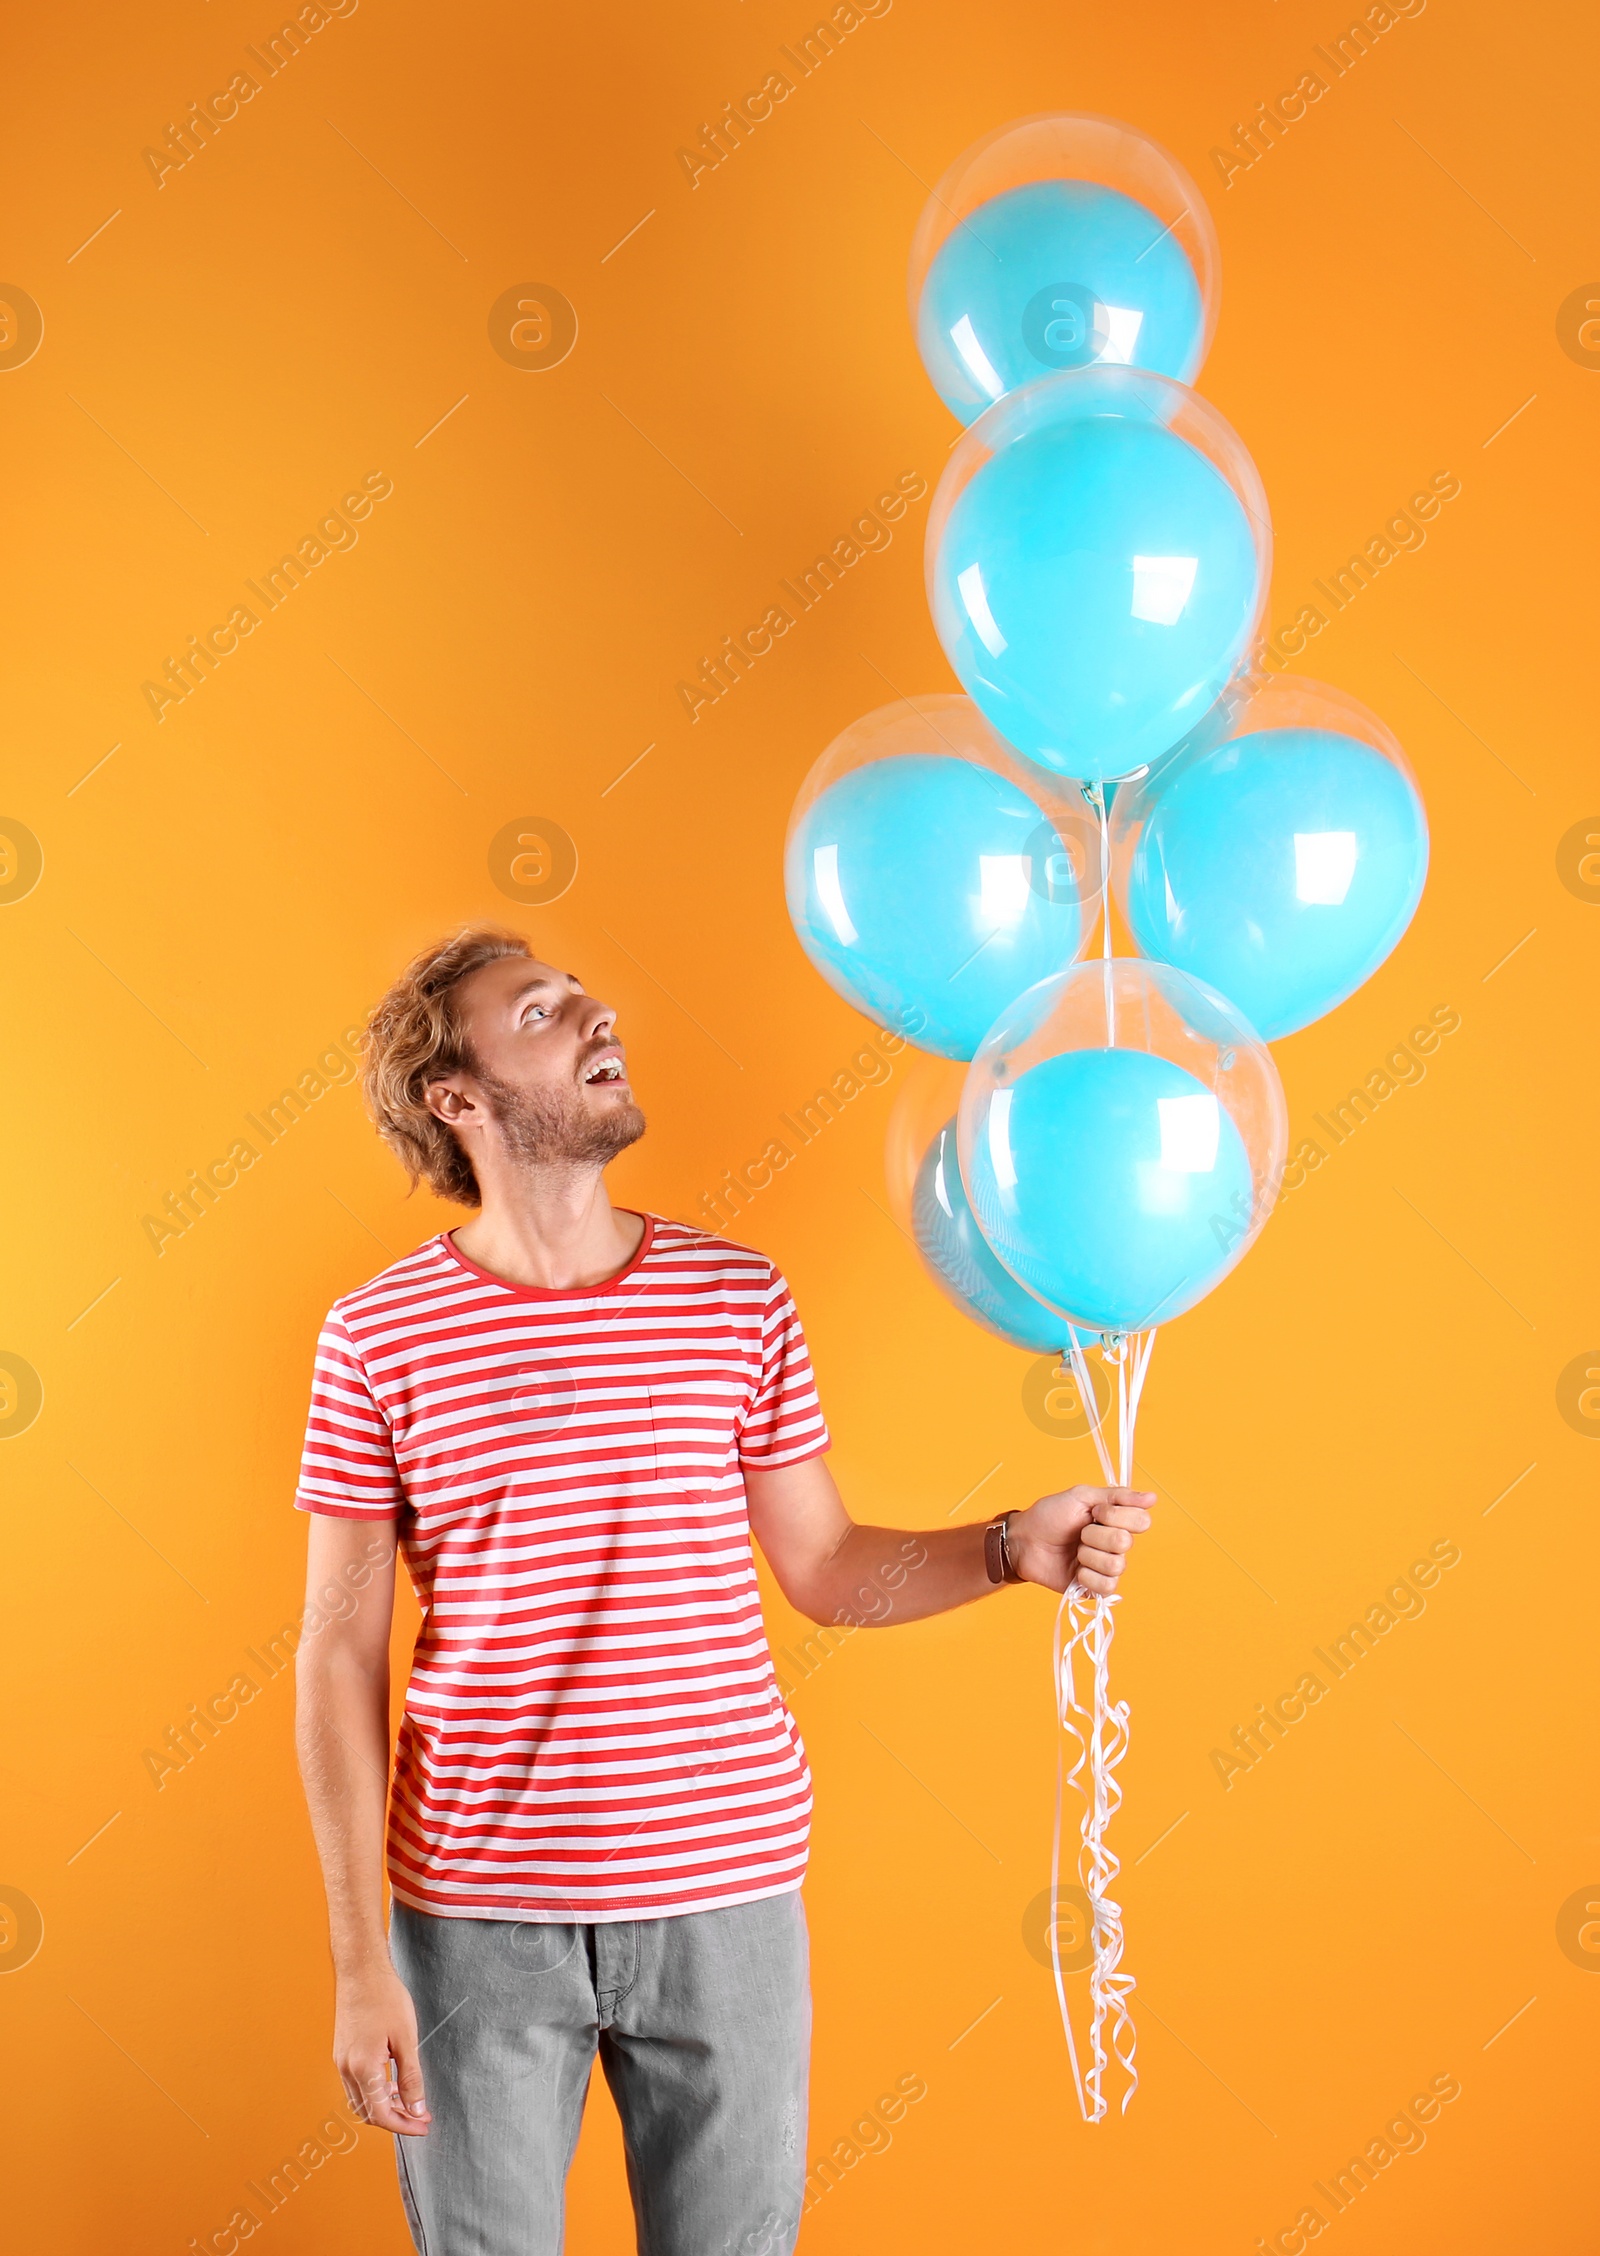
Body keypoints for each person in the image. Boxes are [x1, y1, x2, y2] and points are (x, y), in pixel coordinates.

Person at [293, 923, 1154, 2256]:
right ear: (455, 1099)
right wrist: (361, 1970)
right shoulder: (377, 1334)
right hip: (474, 1923)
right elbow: (339, 1658)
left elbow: (822, 1568)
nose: (596, 1015)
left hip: (728, 1896)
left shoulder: (736, 1298)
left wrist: (1005, 1548)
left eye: (587, 993)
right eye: (540, 1012)